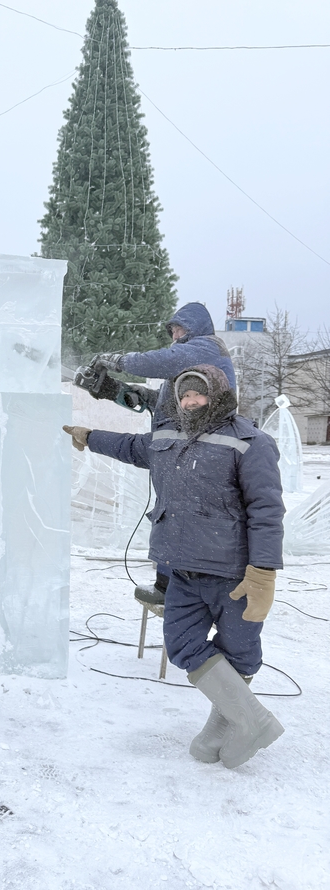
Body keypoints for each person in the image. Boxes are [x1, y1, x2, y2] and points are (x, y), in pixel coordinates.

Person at [63, 364, 285, 768]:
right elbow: (130, 446)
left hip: (233, 574)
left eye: (198, 394)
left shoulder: (251, 443)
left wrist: (263, 571)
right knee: (183, 644)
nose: (190, 401)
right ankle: (252, 720)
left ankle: (226, 728)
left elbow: (266, 510)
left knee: (239, 653)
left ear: (217, 396)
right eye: (184, 395)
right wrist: (89, 436)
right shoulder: (167, 434)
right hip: (180, 569)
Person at [79, 302, 236, 605]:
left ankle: (181, 593)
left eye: (180, 327)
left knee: (184, 512)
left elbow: (159, 361)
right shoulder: (185, 368)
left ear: (195, 328)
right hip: (175, 444)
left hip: (198, 445)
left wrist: (117, 360)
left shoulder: (206, 348)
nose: (174, 334)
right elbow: (160, 403)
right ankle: (167, 586)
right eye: (172, 329)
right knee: (170, 511)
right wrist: (114, 390)